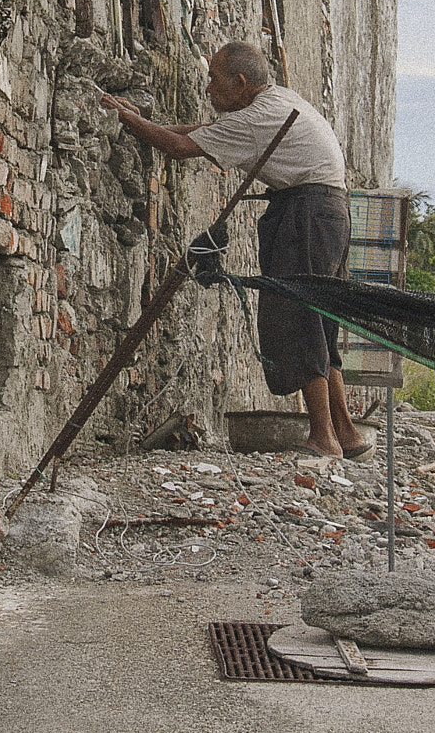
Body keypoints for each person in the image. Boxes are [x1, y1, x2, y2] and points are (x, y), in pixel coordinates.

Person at [98, 41, 369, 459]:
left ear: (240, 83)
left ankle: (324, 438)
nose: (207, 88)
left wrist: (123, 118)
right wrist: (138, 119)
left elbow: (182, 148)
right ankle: (346, 433)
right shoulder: (275, 102)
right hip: (328, 211)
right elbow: (199, 134)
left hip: (307, 215)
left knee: (303, 318)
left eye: (214, 80)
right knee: (320, 321)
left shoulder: (260, 117)